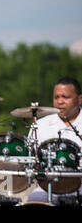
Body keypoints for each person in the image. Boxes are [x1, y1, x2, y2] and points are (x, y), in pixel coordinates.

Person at [26, 77, 82, 205]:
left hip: (79, 186)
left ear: (79, 99)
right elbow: (29, 159)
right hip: (47, 187)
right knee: (35, 201)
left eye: (65, 97)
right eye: (56, 97)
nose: (60, 102)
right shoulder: (40, 125)